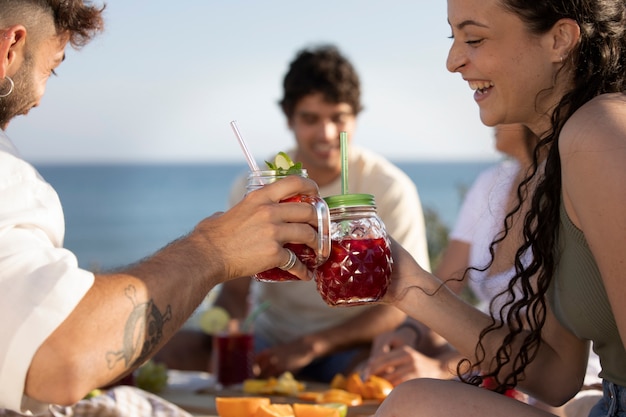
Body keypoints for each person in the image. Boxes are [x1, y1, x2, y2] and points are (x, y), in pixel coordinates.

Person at [0, 1, 326, 414]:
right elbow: (61, 358)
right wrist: (212, 250)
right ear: (11, 48)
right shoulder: (7, 175)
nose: (42, 99)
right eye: (52, 67)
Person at [375, 0, 626, 416]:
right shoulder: (559, 161)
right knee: (416, 401)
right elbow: (554, 375)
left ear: (559, 39)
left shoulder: (598, 133)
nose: (453, 61)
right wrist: (405, 285)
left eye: (474, 38)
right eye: (453, 38)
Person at [155, 44, 431, 383]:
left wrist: (311, 346)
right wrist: (224, 339)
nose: (326, 133)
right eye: (310, 118)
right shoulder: (258, 185)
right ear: (289, 119)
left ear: (356, 116)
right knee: (162, 349)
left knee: (386, 376)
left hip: (351, 345)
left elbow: (403, 302)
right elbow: (235, 289)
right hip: (270, 342)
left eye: (338, 117)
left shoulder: (389, 188)